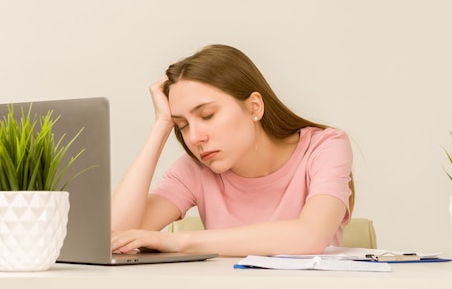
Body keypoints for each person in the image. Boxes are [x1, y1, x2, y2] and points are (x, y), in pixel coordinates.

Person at [111, 44, 354, 257]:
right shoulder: (195, 170)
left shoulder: (324, 147)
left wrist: (179, 241)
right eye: (182, 125)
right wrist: (161, 127)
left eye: (207, 115)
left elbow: (310, 236)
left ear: (254, 106)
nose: (195, 138)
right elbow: (115, 235)